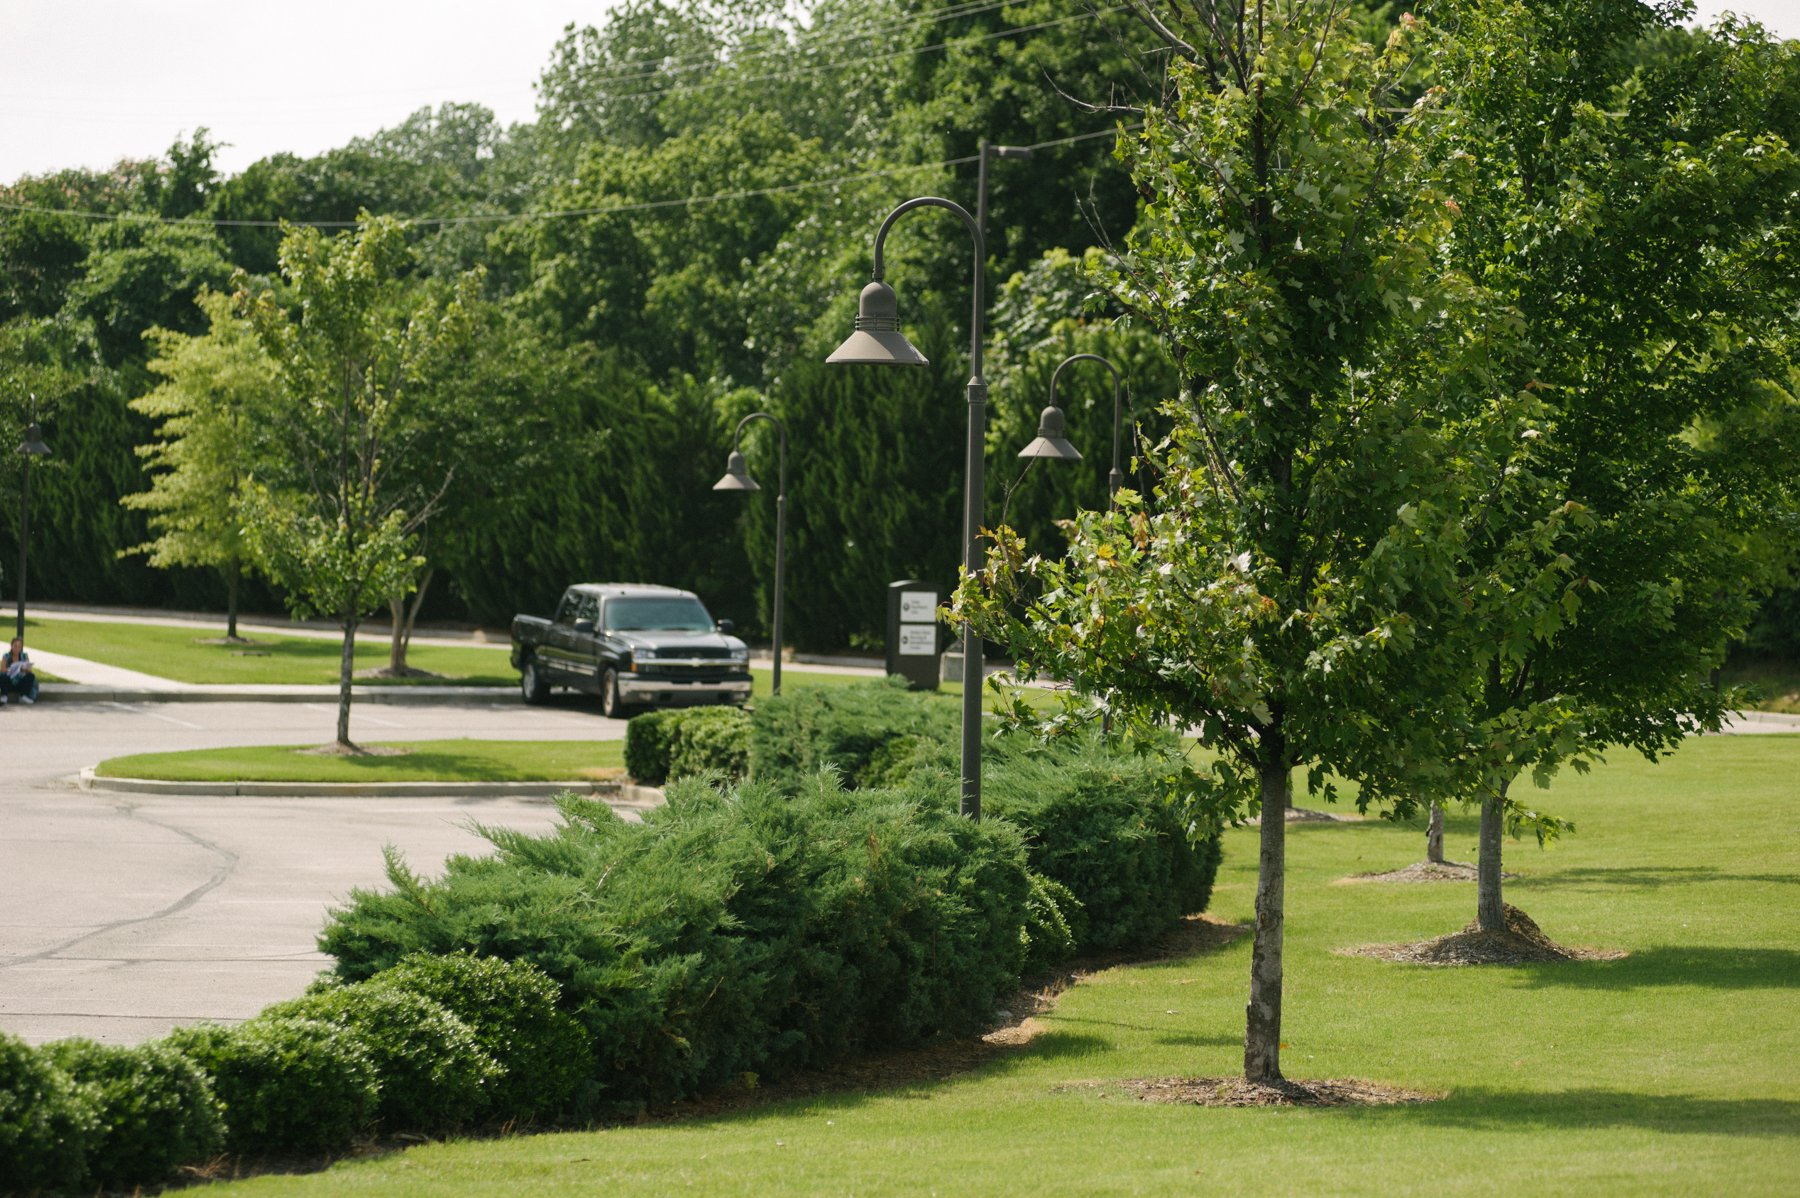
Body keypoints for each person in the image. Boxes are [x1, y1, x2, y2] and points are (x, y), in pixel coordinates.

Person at [1, 636, 36, 705]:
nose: (17, 649)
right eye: (15, 646)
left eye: (19, 647)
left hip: (20, 681)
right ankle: (4, 696)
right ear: (11, 646)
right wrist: (11, 670)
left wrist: (24, 670)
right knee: (2, 676)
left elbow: (29, 670)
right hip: (10, 681)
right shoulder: (6, 656)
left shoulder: (24, 656)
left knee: (31, 676)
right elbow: (2, 669)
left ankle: (23, 695)